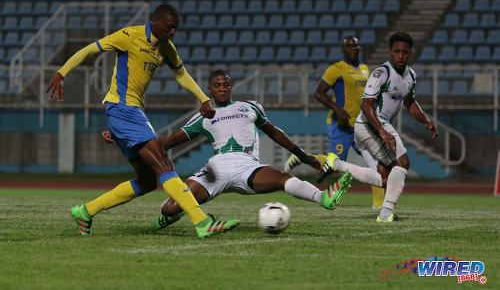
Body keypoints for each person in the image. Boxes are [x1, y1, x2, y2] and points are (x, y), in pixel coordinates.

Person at [46, 4, 239, 238]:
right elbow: (90, 50)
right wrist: (61, 72)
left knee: (147, 182)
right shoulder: (129, 36)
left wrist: (202, 98)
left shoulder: (166, 47)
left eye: (175, 29)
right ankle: (202, 222)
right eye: (170, 28)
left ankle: (85, 211)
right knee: (164, 164)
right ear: (155, 22)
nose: (172, 33)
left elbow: (180, 73)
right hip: (124, 109)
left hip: (127, 113)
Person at [101, 69, 352, 230]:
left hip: (248, 165)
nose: (222, 88)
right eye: (217, 85)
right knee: (169, 207)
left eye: (226, 84)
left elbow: (275, 133)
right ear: (209, 90)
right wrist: (124, 135)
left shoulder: (251, 107)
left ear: (231, 86)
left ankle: (324, 198)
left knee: (282, 178)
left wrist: (304, 157)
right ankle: (169, 216)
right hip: (216, 168)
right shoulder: (204, 116)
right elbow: (165, 143)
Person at [318, 32, 438, 222]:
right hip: (369, 126)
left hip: (374, 128)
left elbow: (410, 102)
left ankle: (338, 164)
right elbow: (366, 105)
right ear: (390, 52)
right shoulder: (382, 73)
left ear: (411, 53)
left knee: (385, 179)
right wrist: (382, 131)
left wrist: (426, 121)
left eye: (405, 52)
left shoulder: (411, 76)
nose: (401, 56)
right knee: (403, 162)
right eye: (397, 52)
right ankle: (386, 213)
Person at [284, 36, 386, 209]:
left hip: (361, 126)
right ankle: (303, 158)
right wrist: (337, 109)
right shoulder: (336, 69)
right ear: (343, 49)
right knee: (333, 165)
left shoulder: (364, 69)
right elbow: (319, 93)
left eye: (356, 46)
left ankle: (380, 207)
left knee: (376, 164)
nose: (353, 49)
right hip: (341, 126)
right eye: (349, 46)